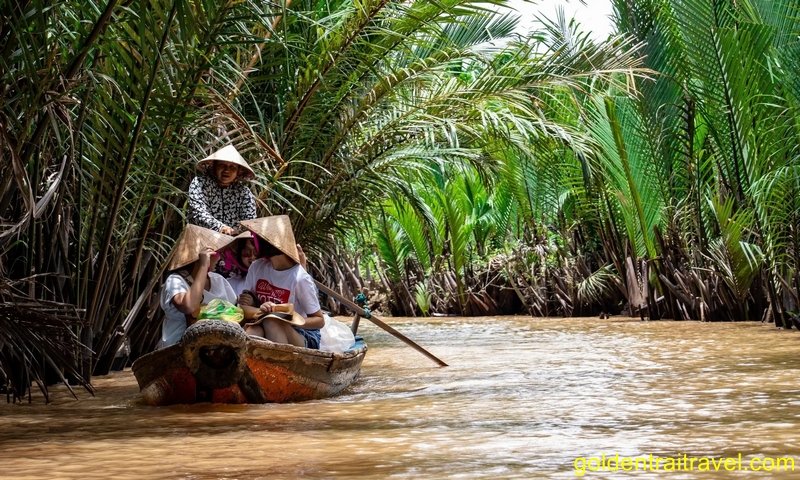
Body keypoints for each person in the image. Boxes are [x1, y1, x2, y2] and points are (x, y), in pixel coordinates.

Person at [237, 216, 324, 349]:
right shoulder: (257, 267)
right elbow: (243, 307)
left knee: (271, 321)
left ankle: (282, 360)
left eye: (257, 240)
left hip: (303, 333)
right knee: (254, 330)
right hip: (263, 322)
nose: (254, 244)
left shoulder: (299, 278)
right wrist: (263, 310)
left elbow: (319, 320)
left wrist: (289, 319)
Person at [158, 225, 237, 349]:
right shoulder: (176, 280)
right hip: (178, 348)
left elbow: (235, 310)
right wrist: (203, 265)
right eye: (216, 253)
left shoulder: (218, 280)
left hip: (217, 347)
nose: (220, 257)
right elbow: (189, 306)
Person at [187, 144, 257, 235]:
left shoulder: (243, 192)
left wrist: (243, 237)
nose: (227, 170)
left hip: (234, 240)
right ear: (214, 167)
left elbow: (250, 221)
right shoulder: (200, 184)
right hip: (202, 237)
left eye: (232, 167)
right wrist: (221, 228)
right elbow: (198, 212)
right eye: (222, 165)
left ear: (238, 172)